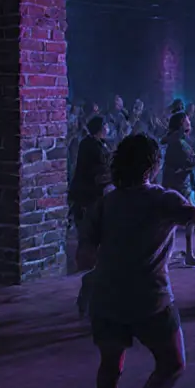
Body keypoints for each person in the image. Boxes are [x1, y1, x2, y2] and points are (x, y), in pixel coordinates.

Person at [78, 134, 195, 388]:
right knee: (173, 364)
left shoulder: (105, 203)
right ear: (153, 165)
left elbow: (83, 256)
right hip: (150, 297)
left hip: (108, 297)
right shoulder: (162, 199)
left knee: (110, 368)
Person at [71, 116, 113, 313]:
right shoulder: (91, 146)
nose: (108, 128)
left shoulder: (96, 144)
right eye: (106, 125)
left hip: (91, 195)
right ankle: (86, 263)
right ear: (100, 128)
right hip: (88, 196)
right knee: (91, 232)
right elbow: (98, 172)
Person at [162, 112, 195, 268]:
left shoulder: (178, 140)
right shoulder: (178, 143)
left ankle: (178, 253)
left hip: (180, 185)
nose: (190, 122)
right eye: (187, 121)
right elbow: (188, 160)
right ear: (182, 123)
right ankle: (182, 254)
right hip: (179, 186)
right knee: (185, 219)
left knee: (176, 221)